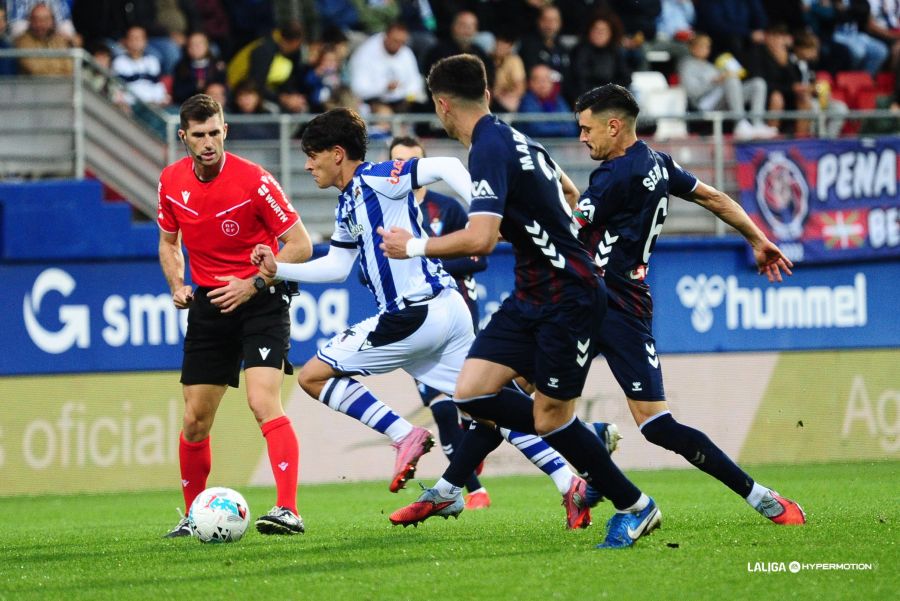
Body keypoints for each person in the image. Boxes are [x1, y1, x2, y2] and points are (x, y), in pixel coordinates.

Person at [380, 55, 660, 549]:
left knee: (549, 417)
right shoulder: (515, 139)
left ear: (442, 106)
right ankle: (575, 438)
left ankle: (635, 505)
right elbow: (567, 189)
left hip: (569, 297)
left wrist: (414, 246)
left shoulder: (488, 150)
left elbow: (481, 239)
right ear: (486, 95)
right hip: (533, 293)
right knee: (470, 392)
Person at [570, 83, 806, 526]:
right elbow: (713, 197)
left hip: (600, 303)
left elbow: (568, 230)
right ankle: (762, 499)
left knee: (512, 396)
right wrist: (758, 238)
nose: (582, 138)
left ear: (613, 125)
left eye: (587, 129)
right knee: (518, 395)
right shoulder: (660, 165)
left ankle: (752, 492)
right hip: (619, 303)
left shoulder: (612, 176)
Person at [250, 107, 472, 495]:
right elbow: (337, 265)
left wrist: (487, 212)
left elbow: (450, 165)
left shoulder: (378, 176)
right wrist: (277, 270)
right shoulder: (348, 201)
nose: (306, 165)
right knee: (488, 403)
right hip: (448, 305)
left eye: (312, 155)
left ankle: (404, 434)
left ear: (337, 154)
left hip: (413, 312)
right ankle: (571, 469)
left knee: (313, 376)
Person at [386, 136, 603, 516]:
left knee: (473, 406)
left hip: (451, 317)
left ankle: (468, 489)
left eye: (411, 161)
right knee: (471, 411)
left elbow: (478, 250)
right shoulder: (388, 212)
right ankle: (465, 487)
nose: (404, 169)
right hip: (409, 319)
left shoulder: (447, 208)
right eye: (397, 162)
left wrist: (423, 258)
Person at [158, 93, 313, 538]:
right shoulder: (170, 181)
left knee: (262, 401)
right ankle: (191, 517)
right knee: (194, 419)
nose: (208, 143)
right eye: (199, 135)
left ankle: (288, 510)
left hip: (261, 299)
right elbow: (170, 244)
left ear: (225, 131)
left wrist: (255, 283)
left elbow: (300, 244)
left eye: (215, 133)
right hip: (210, 304)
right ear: (184, 136)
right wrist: (177, 285)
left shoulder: (255, 181)